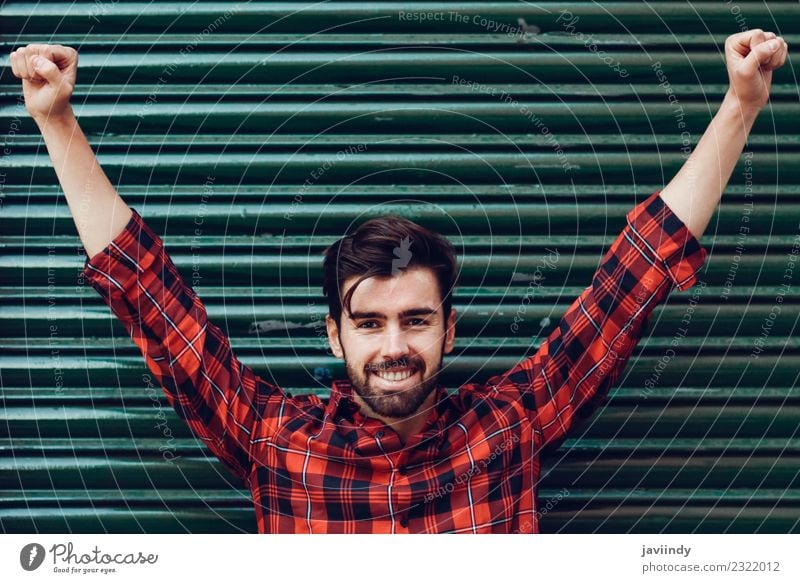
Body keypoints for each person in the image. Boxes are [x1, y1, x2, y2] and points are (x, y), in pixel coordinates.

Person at [9, 30, 788, 533]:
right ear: (333, 333)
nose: (394, 347)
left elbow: (634, 278)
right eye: (371, 322)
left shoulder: (507, 426)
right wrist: (56, 122)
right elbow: (148, 294)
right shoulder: (277, 444)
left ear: (450, 329)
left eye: (416, 321)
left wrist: (740, 105)